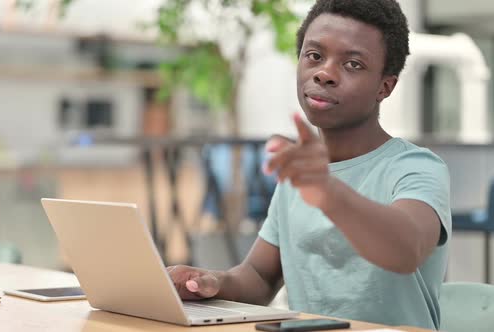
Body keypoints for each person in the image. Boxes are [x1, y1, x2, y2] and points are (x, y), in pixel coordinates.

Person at [167, 0, 451, 329]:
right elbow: (259, 277)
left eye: (353, 65)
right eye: (314, 56)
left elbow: (406, 250)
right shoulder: (301, 175)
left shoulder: (416, 168)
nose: (325, 73)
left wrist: (327, 191)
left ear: (384, 86)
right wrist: (209, 282)